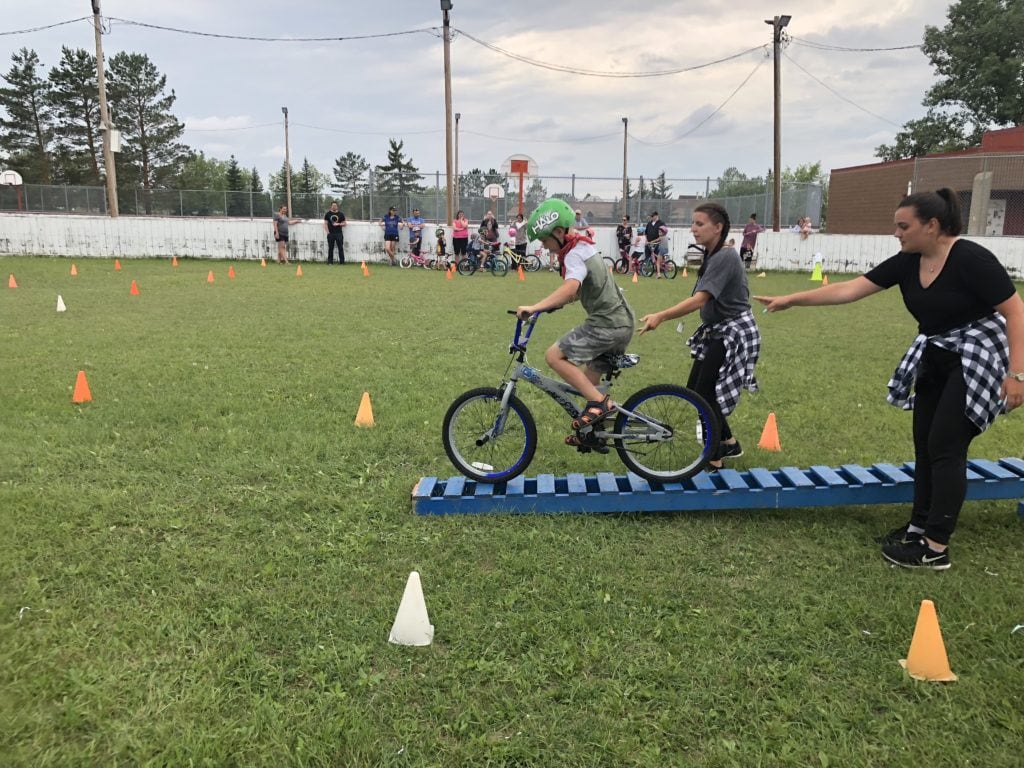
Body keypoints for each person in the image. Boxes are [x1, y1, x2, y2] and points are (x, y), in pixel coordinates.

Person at [755, 189, 1024, 570]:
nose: (896, 233)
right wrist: (791, 299)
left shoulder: (972, 259)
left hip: (978, 355)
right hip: (936, 353)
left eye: (903, 226)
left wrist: (1017, 375)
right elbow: (850, 289)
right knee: (925, 443)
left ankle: (935, 548)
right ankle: (919, 527)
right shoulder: (907, 261)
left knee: (946, 445)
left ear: (931, 226)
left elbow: (1016, 312)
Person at [638, 202, 761, 469]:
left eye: (700, 223)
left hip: (733, 331)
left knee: (705, 393)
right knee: (696, 389)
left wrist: (661, 315)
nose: (694, 229)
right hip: (719, 329)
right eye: (693, 223)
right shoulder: (713, 254)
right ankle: (728, 443)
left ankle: (714, 458)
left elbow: (700, 299)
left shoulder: (725, 256)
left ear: (718, 227)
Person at [515, 198, 635, 448]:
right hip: (620, 323)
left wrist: (535, 306)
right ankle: (594, 433)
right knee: (587, 386)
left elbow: (571, 288)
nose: (546, 247)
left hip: (606, 324)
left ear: (559, 232)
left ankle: (602, 406)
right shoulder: (585, 248)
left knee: (553, 356)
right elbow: (581, 291)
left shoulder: (574, 254)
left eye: (546, 241)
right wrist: (553, 305)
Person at [645, 211, 669, 278]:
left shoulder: (661, 223)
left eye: (653, 216)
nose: (652, 217)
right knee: (648, 257)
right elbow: (646, 233)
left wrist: (653, 242)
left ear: (656, 216)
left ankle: (658, 272)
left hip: (657, 244)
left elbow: (664, 232)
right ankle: (647, 271)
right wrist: (647, 241)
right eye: (651, 216)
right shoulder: (649, 223)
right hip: (649, 243)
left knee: (657, 259)